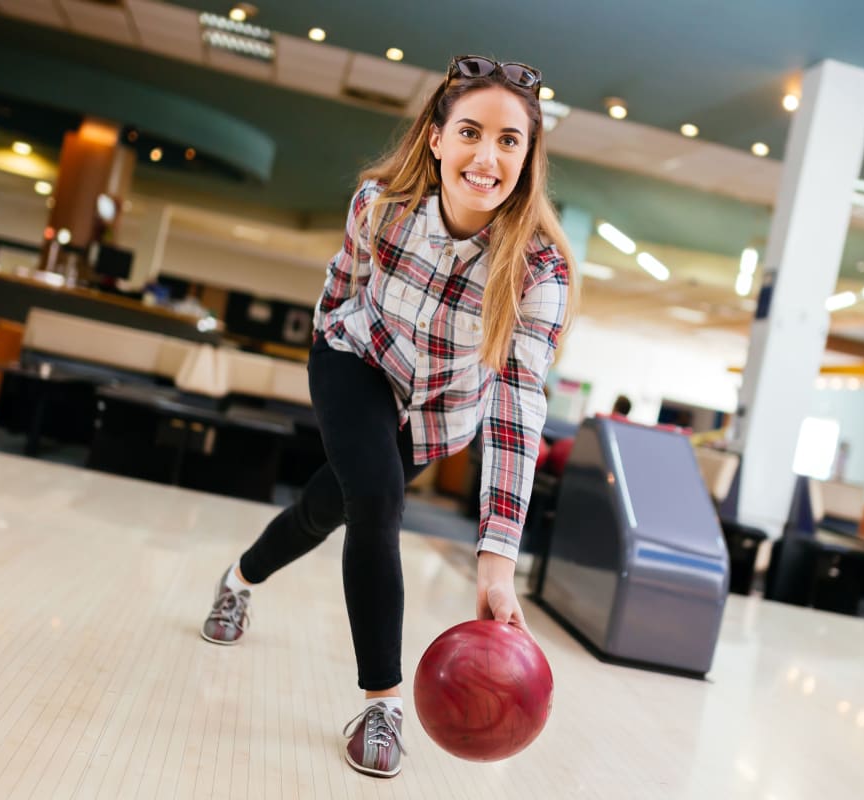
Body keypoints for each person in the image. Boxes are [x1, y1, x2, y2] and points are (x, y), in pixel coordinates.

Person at [200, 54, 574, 779]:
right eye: (470, 131)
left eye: (508, 140)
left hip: (438, 413)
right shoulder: (381, 203)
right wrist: (332, 360)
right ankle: (382, 704)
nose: (486, 156)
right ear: (436, 138)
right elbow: (344, 283)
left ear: (527, 159)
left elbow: (518, 408)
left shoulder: (540, 271)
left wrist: (498, 559)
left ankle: (238, 581)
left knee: (328, 505)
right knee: (376, 500)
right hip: (358, 360)